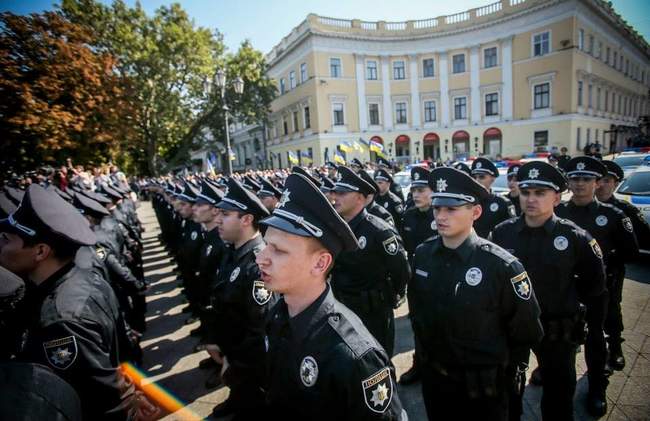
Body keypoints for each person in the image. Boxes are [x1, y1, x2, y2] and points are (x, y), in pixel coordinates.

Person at [258, 172, 407, 420]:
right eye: (265, 244)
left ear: (320, 264)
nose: (261, 258)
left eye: (278, 250)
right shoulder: (278, 314)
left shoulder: (355, 356)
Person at [409, 167, 543, 421]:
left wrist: (505, 374)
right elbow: (418, 312)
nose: (441, 216)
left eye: (451, 209)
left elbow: (526, 330)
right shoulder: (423, 254)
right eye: (437, 208)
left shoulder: (501, 266)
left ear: (476, 212)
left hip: (483, 388)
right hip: (436, 381)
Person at [0, 185, 140, 419]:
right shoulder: (84, 277)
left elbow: (102, 399)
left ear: (40, 251)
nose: (0, 246)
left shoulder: (61, 320)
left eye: (5, 239)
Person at [491, 161, 607, 421]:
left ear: (557, 197)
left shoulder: (576, 237)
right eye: (526, 192)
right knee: (509, 390)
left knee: (558, 395)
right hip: (514, 329)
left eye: (540, 193)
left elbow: (595, 285)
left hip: (557, 331)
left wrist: (567, 304)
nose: (531, 199)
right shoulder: (502, 234)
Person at [555, 156, 639, 416]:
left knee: (595, 340)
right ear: (568, 182)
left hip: (597, 290)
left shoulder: (612, 215)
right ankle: (557, 387)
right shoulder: (558, 213)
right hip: (563, 291)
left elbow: (631, 253)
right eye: (575, 179)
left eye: (586, 179)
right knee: (560, 341)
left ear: (597, 182)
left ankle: (596, 389)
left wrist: (603, 264)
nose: (580, 184)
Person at [202, 178, 275, 418]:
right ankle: (236, 399)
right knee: (240, 396)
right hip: (232, 352)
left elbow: (259, 331)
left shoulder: (257, 265)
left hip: (248, 367)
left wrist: (234, 364)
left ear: (246, 219)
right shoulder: (232, 250)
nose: (218, 219)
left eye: (225, 214)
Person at [330, 166, 411, 356]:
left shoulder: (378, 231)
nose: (336, 197)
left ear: (359, 198)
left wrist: (392, 296)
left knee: (377, 360)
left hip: (373, 312)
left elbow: (401, 270)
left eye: (342, 193)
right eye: (335, 192)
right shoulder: (336, 228)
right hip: (342, 309)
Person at [595, 160, 650, 369]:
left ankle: (615, 347)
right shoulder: (578, 209)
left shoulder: (624, 211)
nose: (601, 185)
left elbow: (639, 244)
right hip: (579, 274)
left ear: (616, 183)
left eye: (607, 180)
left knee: (611, 311)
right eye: (598, 180)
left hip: (611, 272)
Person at [399, 165, 437, 385]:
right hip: (417, 280)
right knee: (418, 324)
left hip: (440, 279)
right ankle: (419, 363)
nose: (416, 195)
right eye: (414, 190)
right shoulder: (409, 216)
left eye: (422, 190)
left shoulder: (442, 214)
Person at [471, 157, 516, 238]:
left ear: (493, 178)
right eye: (474, 177)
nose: (477, 180)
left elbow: (511, 232)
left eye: (481, 177)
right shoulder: (467, 203)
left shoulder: (502, 203)